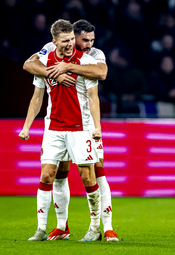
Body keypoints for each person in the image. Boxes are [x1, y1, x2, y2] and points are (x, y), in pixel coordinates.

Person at [23, 20, 118, 242]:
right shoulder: (50, 49)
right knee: (56, 174)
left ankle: (106, 227)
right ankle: (61, 226)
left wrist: (68, 67)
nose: (88, 44)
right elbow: (29, 64)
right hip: (56, 125)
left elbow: (101, 73)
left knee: (96, 171)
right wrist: (54, 72)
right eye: (84, 40)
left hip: (84, 124)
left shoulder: (93, 54)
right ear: (70, 37)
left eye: (92, 40)